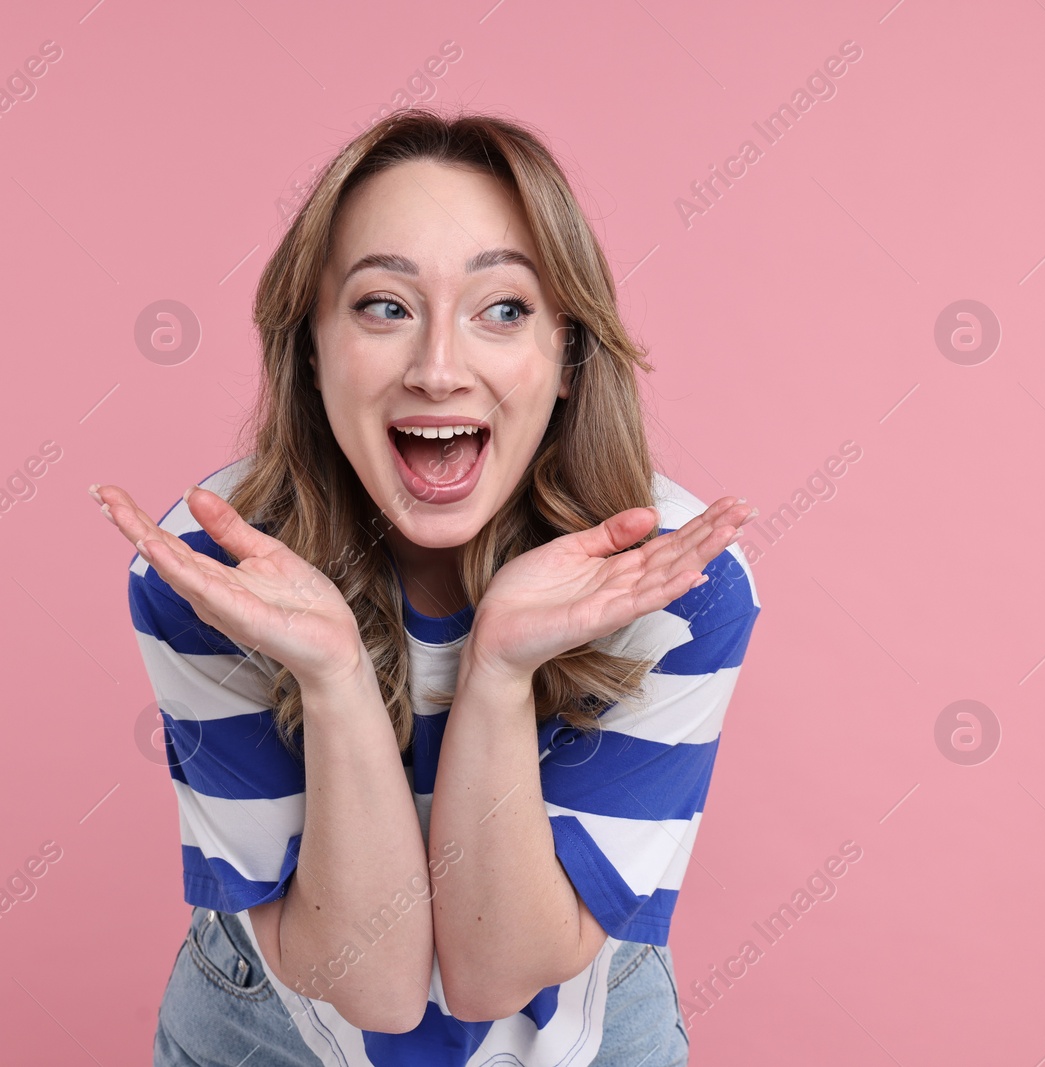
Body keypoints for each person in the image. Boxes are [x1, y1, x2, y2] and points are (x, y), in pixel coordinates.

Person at [91, 108, 762, 1066]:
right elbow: (371, 986)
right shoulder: (213, 576)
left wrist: (497, 669)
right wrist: (330, 674)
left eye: (503, 309)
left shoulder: (678, 585)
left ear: (568, 354)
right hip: (271, 1024)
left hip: (581, 1027)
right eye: (384, 306)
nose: (440, 369)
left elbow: (499, 974)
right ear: (310, 348)